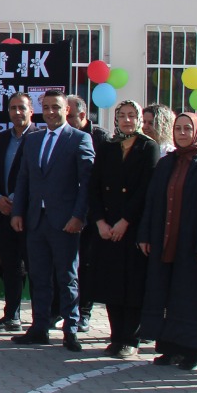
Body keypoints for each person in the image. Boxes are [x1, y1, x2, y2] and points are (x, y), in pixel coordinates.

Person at [10, 89, 95, 350]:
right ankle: (39, 327)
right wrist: (18, 212)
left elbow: (87, 183)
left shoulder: (79, 139)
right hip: (36, 220)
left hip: (65, 221)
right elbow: (24, 179)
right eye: (46, 107)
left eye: (55, 107)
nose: (50, 112)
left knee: (67, 276)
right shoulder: (33, 140)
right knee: (39, 275)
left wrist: (79, 216)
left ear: (66, 109)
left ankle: (71, 328)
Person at [137, 112, 197, 369]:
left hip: (194, 244)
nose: (183, 133)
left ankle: (194, 350)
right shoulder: (166, 163)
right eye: (178, 128)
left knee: (193, 297)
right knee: (166, 294)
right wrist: (145, 234)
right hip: (164, 240)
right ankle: (168, 347)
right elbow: (152, 201)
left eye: (188, 128)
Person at [86, 100, 159, 358]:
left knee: (132, 285)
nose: (127, 120)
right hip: (106, 227)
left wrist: (125, 221)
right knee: (111, 283)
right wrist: (100, 222)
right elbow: (94, 186)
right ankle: (116, 336)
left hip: (133, 227)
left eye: (132, 115)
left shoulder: (148, 147)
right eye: (122, 116)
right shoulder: (108, 147)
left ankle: (131, 338)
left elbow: (145, 190)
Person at [0, 93, 39, 333]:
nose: (17, 112)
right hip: (3, 213)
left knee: (36, 268)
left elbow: (40, 176)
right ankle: (11, 316)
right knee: (10, 267)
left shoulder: (40, 137)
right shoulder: (1, 139)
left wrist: (16, 201)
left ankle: (41, 319)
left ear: (31, 111)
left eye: (21, 108)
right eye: (12, 108)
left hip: (31, 215)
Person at [66, 94, 111, 332]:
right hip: (66, 209)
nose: (65, 119)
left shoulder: (100, 138)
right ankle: (63, 310)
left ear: (82, 116)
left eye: (70, 115)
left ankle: (84, 312)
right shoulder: (61, 136)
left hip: (92, 214)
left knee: (87, 264)